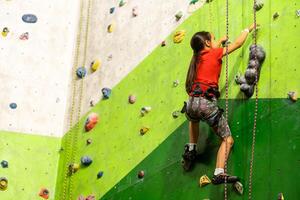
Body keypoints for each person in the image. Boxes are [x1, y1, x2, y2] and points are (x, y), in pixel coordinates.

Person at [182, 24, 256, 184]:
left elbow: (210, 48)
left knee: (193, 119)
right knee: (227, 140)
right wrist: (247, 29)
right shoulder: (215, 53)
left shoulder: (196, 59)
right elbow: (237, 44)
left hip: (191, 102)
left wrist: (219, 39)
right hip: (206, 104)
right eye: (213, 39)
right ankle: (219, 172)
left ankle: (191, 148)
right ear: (208, 44)